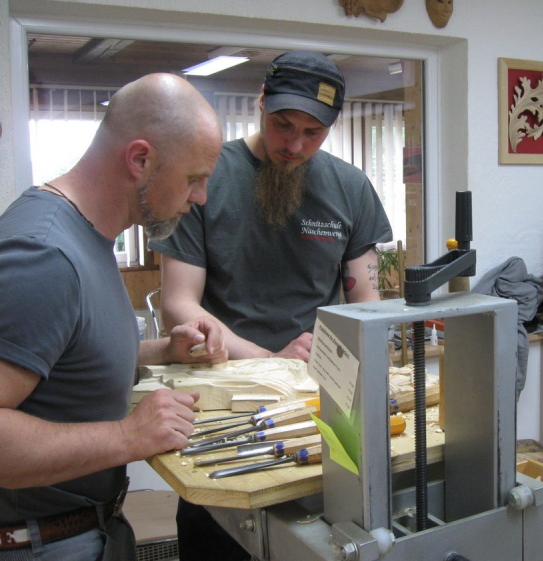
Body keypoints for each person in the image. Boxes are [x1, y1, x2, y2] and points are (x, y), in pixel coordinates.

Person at [150, 50, 393, 560]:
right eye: (284, 125)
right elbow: (178, 304)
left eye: (313, 132)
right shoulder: (206, 178)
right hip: (225, 404)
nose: (295, 145)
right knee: (220, 535)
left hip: (317, 408)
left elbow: (367, 302)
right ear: (261, 102)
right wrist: (269, 361)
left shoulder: (350, 188)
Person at [0, 73, 228, 560]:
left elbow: (61, 358)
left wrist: (164, 351)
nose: (201, 197)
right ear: (140, 159)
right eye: (194, 178)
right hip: (40, 543)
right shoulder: (44, 256)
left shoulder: (86, 235)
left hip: (89, 529)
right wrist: (129, 436)